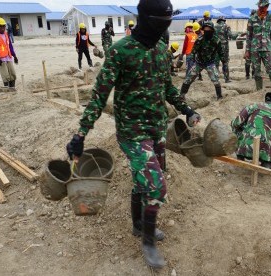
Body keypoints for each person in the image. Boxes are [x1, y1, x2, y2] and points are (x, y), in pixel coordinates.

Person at [65, 0, 201, 269]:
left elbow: (168, 89)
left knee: (146, 179)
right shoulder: (120, 52)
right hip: (132, 132)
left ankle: (139, 224)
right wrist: (81, 135)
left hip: (157, 128)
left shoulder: (162, 51)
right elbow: (99, 96)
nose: (165, 26)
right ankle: (148, 243)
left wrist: (186, 109)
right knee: (155, 185)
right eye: (162, 21)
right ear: (147, 19)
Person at [231, 91, 271, 171]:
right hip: (269, 152)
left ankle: (240, 156)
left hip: (247, 146)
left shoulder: (254, 106)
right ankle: (267, 163)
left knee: (237, 128)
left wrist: (245, 127)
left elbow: (236, 123)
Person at [179, 21, 225, 100]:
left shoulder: (216, 41)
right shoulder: (200, 40)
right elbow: (193, 51)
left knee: (216, 79)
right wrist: (193, 61)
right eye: (205, 30)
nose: (207, 31)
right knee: (189, 78)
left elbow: (221, 52)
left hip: (210, 63)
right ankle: (182, 95)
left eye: (209, 30)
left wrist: (224, 61)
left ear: (212, 30)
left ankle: (219, 96)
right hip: (199, 62)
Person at [245, 0, 271, 91]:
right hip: (254, 50)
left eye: (264, 7)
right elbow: (249, 36)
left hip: (267, 48)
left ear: (267, 6)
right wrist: (247, 50)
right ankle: (259, 92)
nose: (262, 9)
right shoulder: (252, 19)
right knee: (257, 72)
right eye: (260, 7)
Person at [0, 17, 18, 90]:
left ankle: (12, 89)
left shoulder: (6, 34)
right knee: (5, 76)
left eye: (4, 26)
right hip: (1, 58)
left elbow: (10, 46)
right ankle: (6, 90)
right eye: (1, 26)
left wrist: (14, 56)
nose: (3, 28)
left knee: (13, 74)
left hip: (9, 57)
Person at [215, 16, 232, 83]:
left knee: (216, 63)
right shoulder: (227, 26)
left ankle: (215, 79)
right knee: (225, 63)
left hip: (216, 47)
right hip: (224, 48)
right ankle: (226, 79)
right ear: (224, 20)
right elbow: (230, 35)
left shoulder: (214, 26)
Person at [244, 9, 257, 80]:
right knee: (254, 61)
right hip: (255, 45)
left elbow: (248, 33)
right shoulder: (258, 21)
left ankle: (247, 76)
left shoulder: (250, 21)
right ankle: (253, 75)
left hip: (249, 44)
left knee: (248, 61)